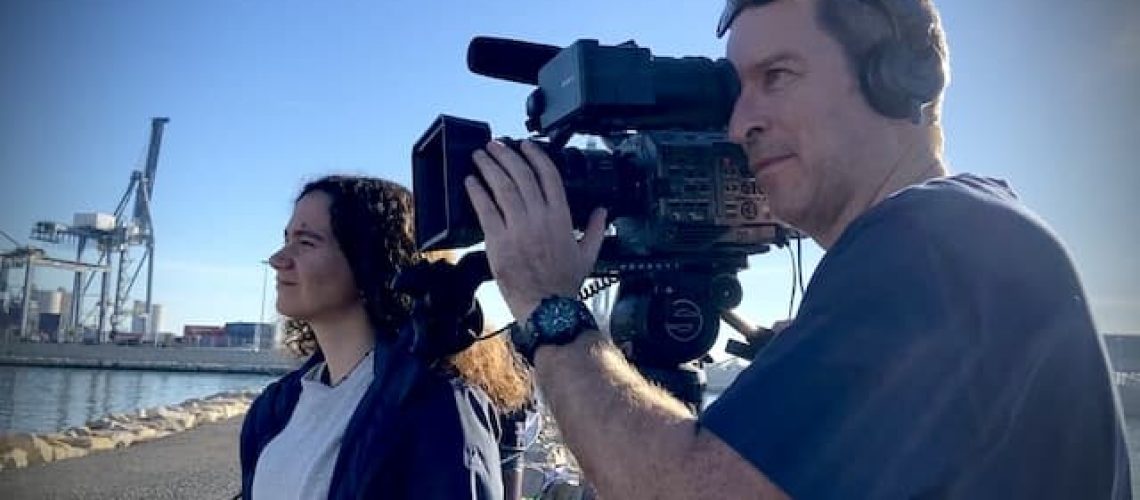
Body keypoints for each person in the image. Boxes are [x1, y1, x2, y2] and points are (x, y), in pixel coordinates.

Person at [462, 0, 1132, 498]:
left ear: (898, 78)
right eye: (737, 87)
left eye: (777, 76)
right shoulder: (971, 231)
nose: (740, 120)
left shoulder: (927, 242)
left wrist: (550, 306)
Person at [239, 175, 531, 499]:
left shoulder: (438, 407)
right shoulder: (276, 407)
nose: (278, 259)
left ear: (371, 260)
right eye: (286, 238)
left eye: (306, 242)